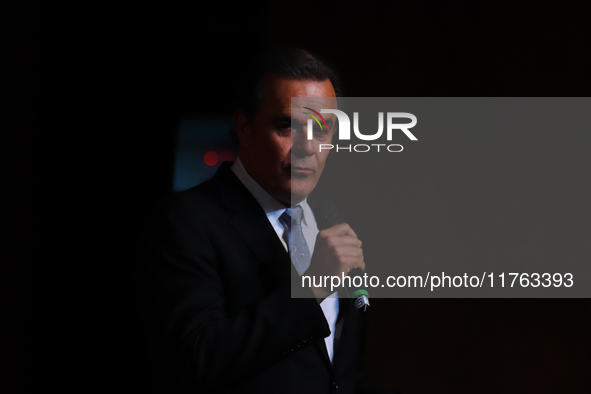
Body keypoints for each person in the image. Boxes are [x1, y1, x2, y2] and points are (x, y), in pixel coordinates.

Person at [134, 49, 399, 394]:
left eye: (323, 129)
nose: (307, 147)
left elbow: (334, 376)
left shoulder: (330, 218)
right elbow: (193, 364)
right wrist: (311, 287)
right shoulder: (184, 222)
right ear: (245, 128)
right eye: (287, 125)